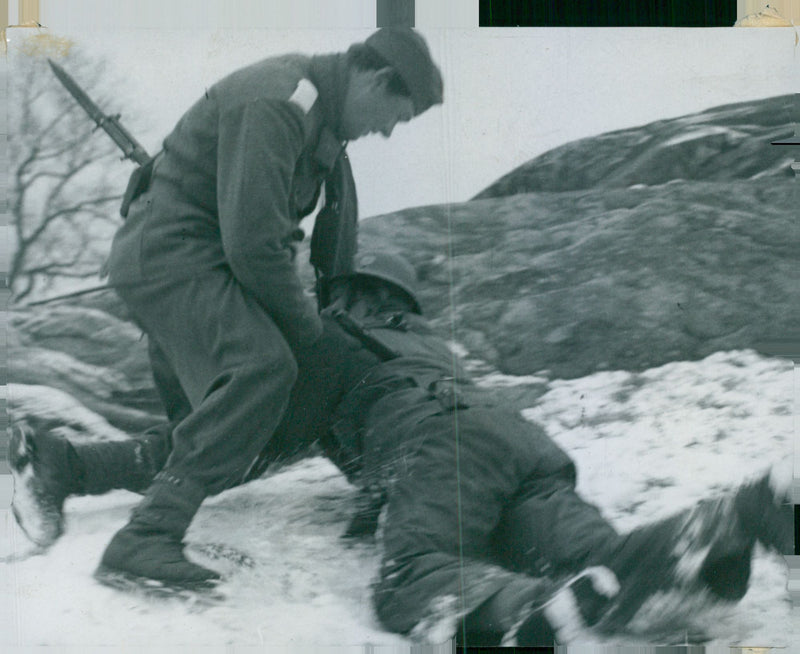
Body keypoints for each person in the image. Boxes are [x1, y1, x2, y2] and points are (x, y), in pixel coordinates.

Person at [10, 251, 792, 646]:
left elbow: (230, 440)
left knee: (416, 578)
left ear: (344, 295)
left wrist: (82, 466)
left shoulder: (323, 344)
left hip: (436, 448)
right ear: (401, 304)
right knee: (592, 555)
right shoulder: (427, 343)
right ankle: (732, 519)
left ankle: (529, 623)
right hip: (520, 441)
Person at [98, 28, 443, 589]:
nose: (385, 131)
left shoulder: (321, 122)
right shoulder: (280, 101)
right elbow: (254, 245)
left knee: (209, 424)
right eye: (393, 116)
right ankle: (145, 540)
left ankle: (61, 467)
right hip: (170, 256)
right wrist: (306, 327)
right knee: (264, 367)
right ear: (375, 80)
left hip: (195, 258)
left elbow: (317, 240)